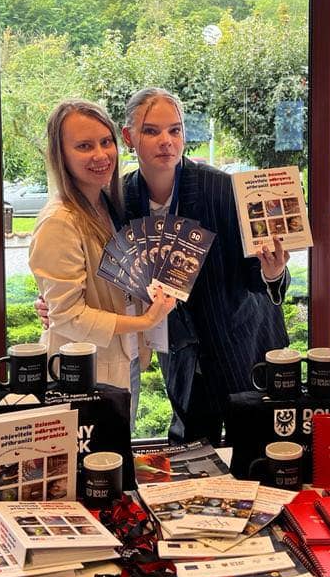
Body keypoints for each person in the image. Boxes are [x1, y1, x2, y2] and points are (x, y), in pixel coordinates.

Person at [118, 87, 290, 444]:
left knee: (255, 446)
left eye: (174, 130)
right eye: (151, 131)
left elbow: (256, 275)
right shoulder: (122, 199)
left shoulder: (221, 189)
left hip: (240, 338)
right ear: (129, 137)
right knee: (191, 448)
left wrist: (273, 272)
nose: (166, 141)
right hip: (178, 347)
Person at [29, 99, 175, 423]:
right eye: (84, 146)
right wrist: (145, 321)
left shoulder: (107, 204)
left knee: (119, 449)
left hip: (123, 361)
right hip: (84, 376)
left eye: (106, 142)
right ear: (61, 155)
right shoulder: (59, 221)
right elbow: (68, 315)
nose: (101, 155)